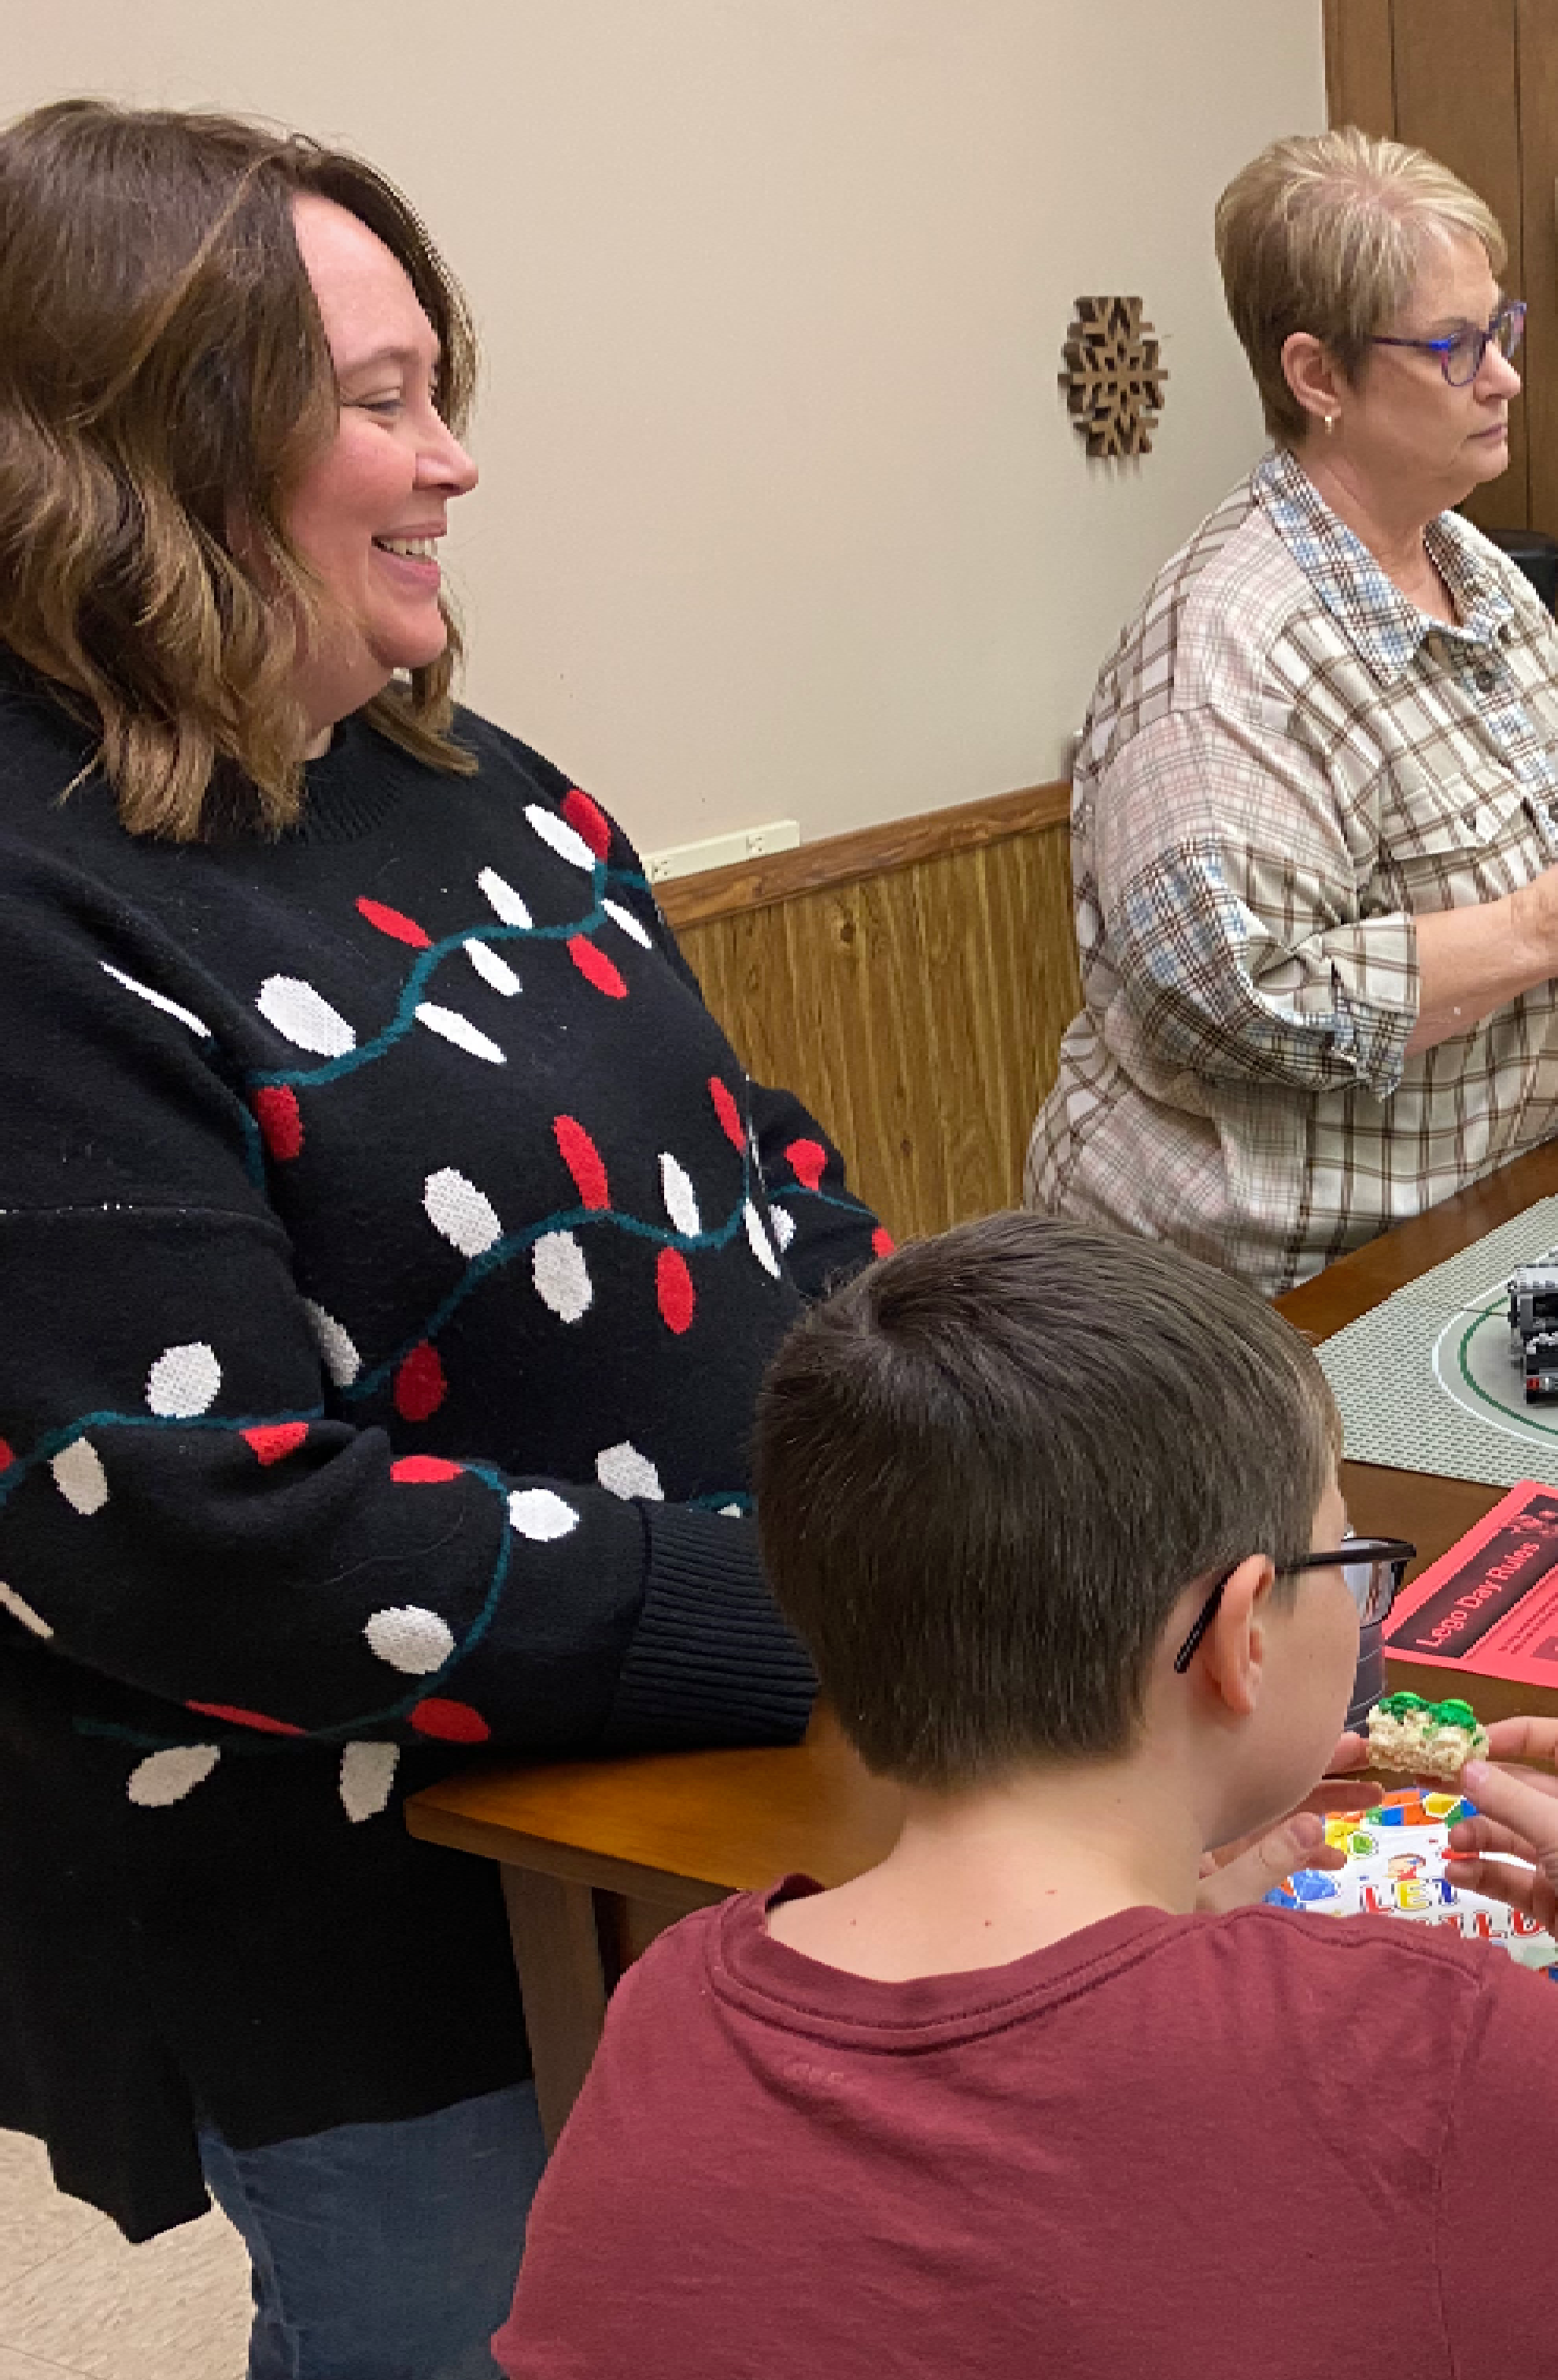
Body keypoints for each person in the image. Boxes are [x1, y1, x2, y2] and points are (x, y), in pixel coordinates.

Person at [0, 102, 875, 2373]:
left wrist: (950, 1436)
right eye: (379, 406)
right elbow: (187, 1530)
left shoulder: (479, 781)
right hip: (384, 1958)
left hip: (700, 1810)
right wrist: (787, 1602)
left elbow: (751, 1157)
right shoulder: (38, 898)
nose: (454, 461)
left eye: (437, 390)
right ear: (151, 455)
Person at [494, 1216, 1558, 2377]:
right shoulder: (1414, 2046)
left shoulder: (670, 2016)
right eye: (1351, 1554)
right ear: (1243, 1633)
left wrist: (1169, 1909)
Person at [1027, 130, 1558, 1295]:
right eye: (1455, 347)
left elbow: (1488, 875)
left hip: (1490, 1238)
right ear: (1318, 378)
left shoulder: (1476, 570)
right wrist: (1538, 931)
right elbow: (1243, 999)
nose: (1505, 377)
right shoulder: (1225, 655)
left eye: (1503, 329)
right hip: (1276, 1316)